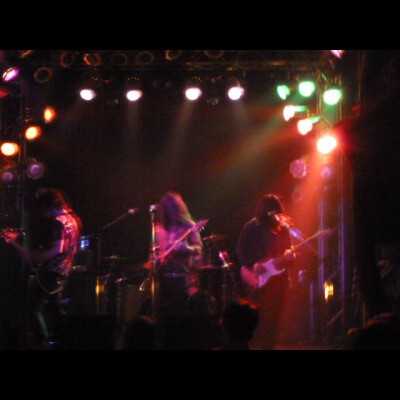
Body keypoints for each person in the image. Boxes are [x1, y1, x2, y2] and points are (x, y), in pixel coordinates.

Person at [20, 188, 82, 349]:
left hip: (51, 272)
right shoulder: (74, 219)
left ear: (48, 206)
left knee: (31, 309)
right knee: (56, 310)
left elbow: (56, 249)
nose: (43, 214)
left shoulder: (58, 221)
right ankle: (66, 341)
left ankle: (41, 343)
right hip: (64, 271)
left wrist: (36, 257)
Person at [236, 193, 295, 350]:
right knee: (261, 318)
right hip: (259, 279)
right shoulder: (252, 226)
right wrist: (254, 265)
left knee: (276, 318)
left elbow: (289, 253)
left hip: (279, 279)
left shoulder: (283, 228)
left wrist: (289, 256)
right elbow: (240, 250)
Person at [153, 191, 205, 321]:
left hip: (183, 276)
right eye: (168, 208)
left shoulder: (189, 226)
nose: (171, 211)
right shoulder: (160, 228)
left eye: (174, 207)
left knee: (180, 313)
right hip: (163, 277)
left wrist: (187, 249)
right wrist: (157, 258)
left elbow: (199, 249)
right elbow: (154, 252)